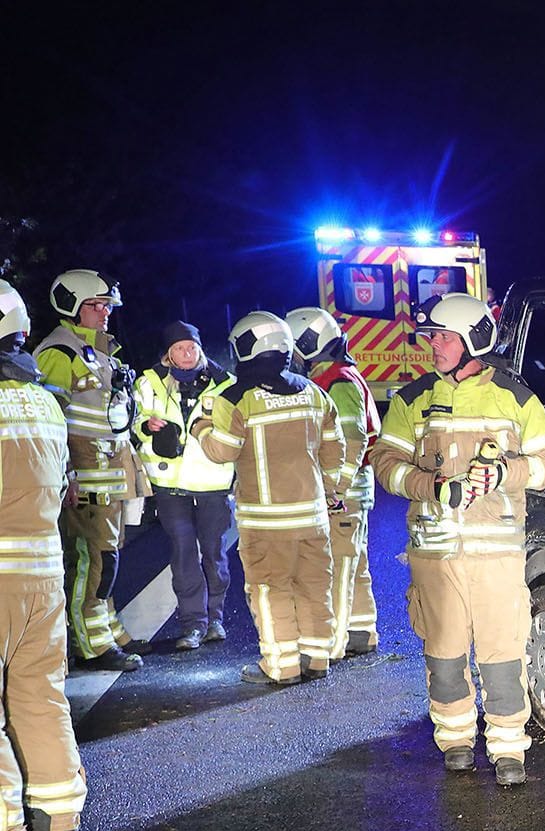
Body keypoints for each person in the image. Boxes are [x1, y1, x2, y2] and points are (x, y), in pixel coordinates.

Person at [369, 292, 545, 786]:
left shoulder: (516, 398)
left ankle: (508, 748)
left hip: (496, 551)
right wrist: (429, 485)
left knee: (503, 653)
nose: (433, 345)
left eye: (444, 337)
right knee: (445, 651)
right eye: (432, 336)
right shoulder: (412, 400)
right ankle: (455, 740)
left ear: (474, 340)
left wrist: (504, 473)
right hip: (434, 552)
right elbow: (385, 465)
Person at [195, 312, 344, 684]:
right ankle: (317, 658)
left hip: (266, 521)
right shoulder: (315, 393)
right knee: (313, 587)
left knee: (270, 589)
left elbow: (222, 451)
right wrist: (328, 491)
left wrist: (200, 427)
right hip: (312, 517)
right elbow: (334, 450)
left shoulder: (236, 398)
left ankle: (281, 666)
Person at [0, 280, 87, 831]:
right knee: (40, 690)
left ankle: (4, 825)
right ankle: (59, 810)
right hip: (42, 571)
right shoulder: (43, 400)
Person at [33, 269, 147, 671]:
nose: (105, 313)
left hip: (109, 473)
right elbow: (49, 421)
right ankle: (92, 646)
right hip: (84, 478)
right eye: (97, 306)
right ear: (72, 306)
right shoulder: (57, 353)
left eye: (107, 306)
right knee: (92, 560)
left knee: (106, 559)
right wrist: (67, 476)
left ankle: (106, 628)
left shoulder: (100, 352)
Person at [134, 322, 236, 650]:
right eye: (180, 348)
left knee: (213, 552)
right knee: (183, 553)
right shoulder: (147, 383)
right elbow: (131, 424)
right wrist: (147, 427)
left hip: (212, 482)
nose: (187, 353)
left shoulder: (225, 384)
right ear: (168, 355)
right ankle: (193, 624)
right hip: (170, 484)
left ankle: (215, 618)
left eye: (192, 347)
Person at [287, 306, 379, 659]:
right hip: (353, 489)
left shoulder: (338, 382)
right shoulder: (341, 376)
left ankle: (329, 644)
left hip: (345, 492)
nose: (291, 357)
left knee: (337, 567)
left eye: (294, 348)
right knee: (354, 563)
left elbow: (353, 441)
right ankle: (360, 629)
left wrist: (334, 490)